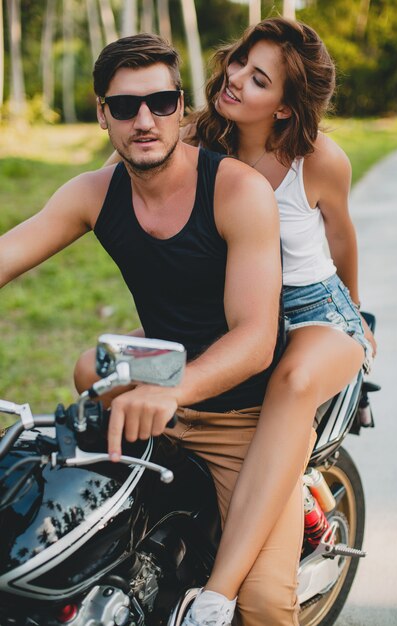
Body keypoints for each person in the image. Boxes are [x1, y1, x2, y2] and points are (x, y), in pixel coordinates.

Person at [0, 31, 300, 626]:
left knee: (264, 603)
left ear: (182, 106)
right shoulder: (93, 193)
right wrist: (160, 387)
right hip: (157, 386)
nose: (145, 120)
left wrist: (173, 389)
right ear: (102, 115)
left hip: (241, 415)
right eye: (124, 106)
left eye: (161, 103)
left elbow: (255, 338)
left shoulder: (237, 191)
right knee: (51, 534)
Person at [175, 16, 377, 626]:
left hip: (317, 315)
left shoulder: (318, 161)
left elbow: (342, 242)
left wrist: (361, 317)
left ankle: (219, 594)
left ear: (286, 108)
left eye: (257, 79)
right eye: (238, 62)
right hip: (238, 317)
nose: (234, 79)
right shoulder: (198, 141)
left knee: (289, 387)